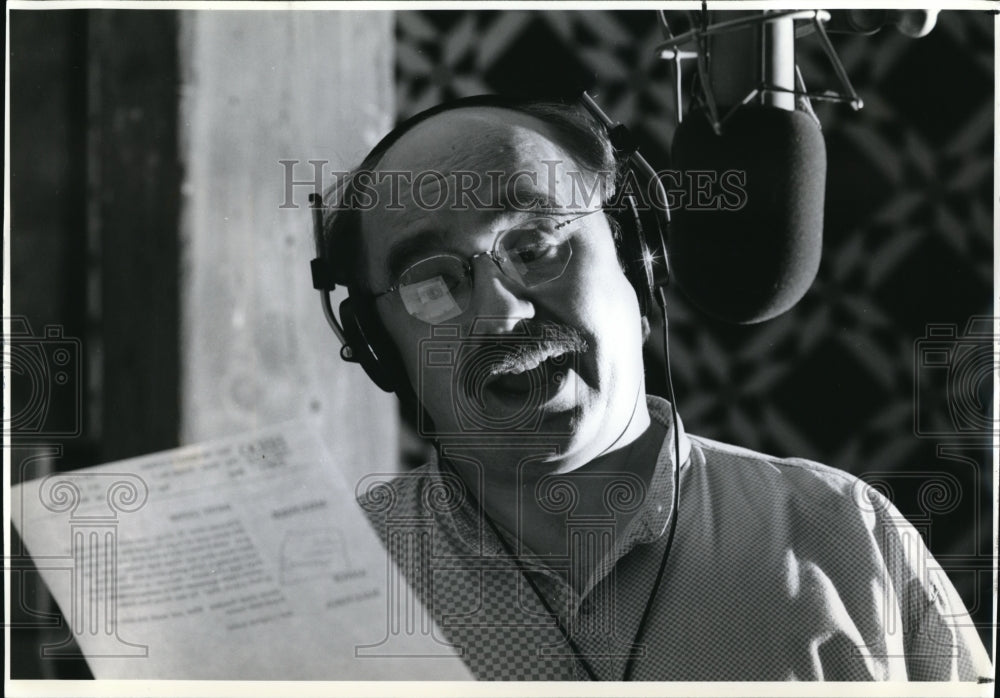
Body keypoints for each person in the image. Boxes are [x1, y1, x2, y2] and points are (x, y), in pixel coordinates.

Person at [312, 96, 993, 681]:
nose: (499, 313)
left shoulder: (843, 532)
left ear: (639, 269)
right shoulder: (326, 586)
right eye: (432, 283)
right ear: (383, 351)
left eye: (535, 245)